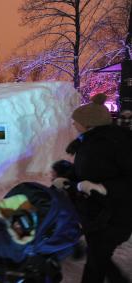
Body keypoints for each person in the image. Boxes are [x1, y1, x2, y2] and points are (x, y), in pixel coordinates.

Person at [61, 93, 132, 283]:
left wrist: (103, 187)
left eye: (76, 121)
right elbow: (84, 171)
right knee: (97, 254)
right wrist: (65, 178)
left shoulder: (118, 144)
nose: (73, 124)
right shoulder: (89, 141)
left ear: (89, 123)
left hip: (116, 214)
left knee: (96, 260)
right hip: (97, 212)